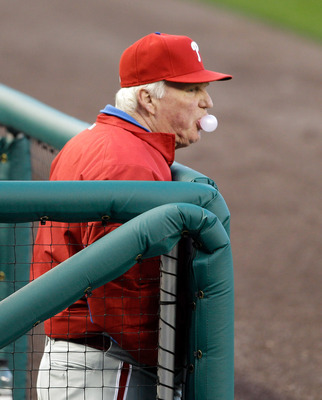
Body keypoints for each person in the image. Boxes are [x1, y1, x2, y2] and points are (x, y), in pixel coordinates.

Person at [31, 32, 232, 399]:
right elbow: (119, 291)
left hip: (84, 362)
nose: (207, 102)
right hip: (103, 370)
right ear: (146, 99)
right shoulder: (126, 163)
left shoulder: (99, 139)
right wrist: (168, 360)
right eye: (191, 90)